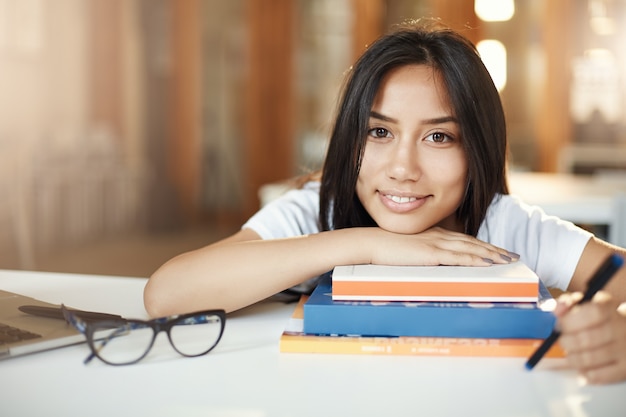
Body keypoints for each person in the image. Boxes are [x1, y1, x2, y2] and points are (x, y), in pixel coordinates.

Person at [144, 18, 626, 384]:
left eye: (438, 137)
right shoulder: (318, 210)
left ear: (477, 148)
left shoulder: (502, 226)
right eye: (378, 131)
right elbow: (166, 294)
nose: (402, 167)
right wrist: (363, 244)